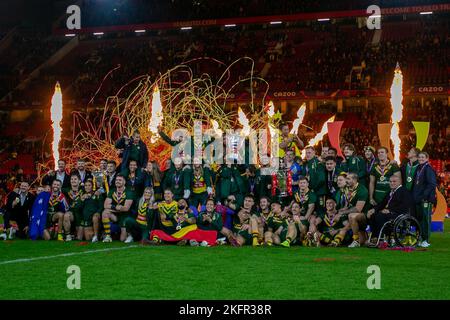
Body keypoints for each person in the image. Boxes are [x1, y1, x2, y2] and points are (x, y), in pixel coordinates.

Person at [367, 175, 413, 246]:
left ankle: (380, 237)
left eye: (394, 181)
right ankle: (374, 237)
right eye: (390, 181)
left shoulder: (404, 191)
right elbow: (382, 204)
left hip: (399, 214)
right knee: (373, 215)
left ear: (400, 182)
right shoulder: (390, 192)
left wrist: (390, 210)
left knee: (380, 216)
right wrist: (373, 209)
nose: (392, 183)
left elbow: (405, 206)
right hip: (390, 213)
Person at [413, 151, 437, 248]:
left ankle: (426, 240)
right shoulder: (419, 168)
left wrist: (424, 196)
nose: (421, 159)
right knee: (419, 219)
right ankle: (420, 238)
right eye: (419, 157)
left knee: (426, 220)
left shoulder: (428, 169)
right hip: (418, 198)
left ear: (427, 158)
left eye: (423, 157)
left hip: (425, 199)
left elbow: (432, 184)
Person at [339, 173, 370, 247]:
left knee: (351, 216)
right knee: (363, 242)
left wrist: (344, 212)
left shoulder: (362, 190)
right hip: (352, 213)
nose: (346, 181)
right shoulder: (347, 188)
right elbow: (347, 204)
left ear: (355, 180)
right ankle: (342, 239)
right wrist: (340, 211)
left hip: (364, 215)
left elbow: (358, 209)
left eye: (348, 179)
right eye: (346, 179)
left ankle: (355, 240)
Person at [102, 174, 135, 242]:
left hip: (125, 216)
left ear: (124, 182)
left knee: (122, 239)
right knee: (105, 212)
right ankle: (108, 236)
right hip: (116, 216)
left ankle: (130, 235)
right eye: (116, 180)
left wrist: (113, 208)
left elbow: (126, 208)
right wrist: (115, 207)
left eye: (120, 180)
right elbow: (105, 205)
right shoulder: (112, 191)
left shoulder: (129, 192)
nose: (118, 181)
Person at [293, 176, 317, 245]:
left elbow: (311, 207)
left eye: (304, 183)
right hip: (300, 214)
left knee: (312, 221)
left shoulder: (311, 194)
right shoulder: (296, 193)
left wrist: (306, 217)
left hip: (310, 215)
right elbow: (294, 202)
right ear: (298, 184)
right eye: (300, 183)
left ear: (307, 184)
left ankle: (311, 239)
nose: (302, 184)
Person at [302, 146, 326, 215]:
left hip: (319, 192)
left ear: (314, 153)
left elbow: (322, 179)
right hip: (310, 192)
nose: (307, 155)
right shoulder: (305, 165)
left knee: (320, 211)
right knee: (312, 212)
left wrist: (313, 188)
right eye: (306, 153)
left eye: (309, 153)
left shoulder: (318, 163)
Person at [62, 174, 84, 241]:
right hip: (71, 213)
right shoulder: (66, 190)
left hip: (81, 214)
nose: (73, 181)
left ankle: (75, 234)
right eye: (72, 179)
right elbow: (56, 188)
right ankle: (68, 235)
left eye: (75, 179)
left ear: (79, 181)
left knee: (80, 238)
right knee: (66, 215)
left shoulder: (83, 189)